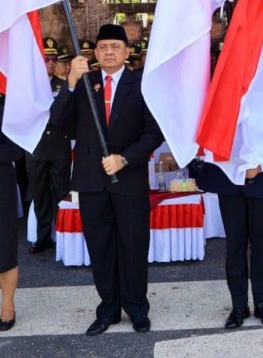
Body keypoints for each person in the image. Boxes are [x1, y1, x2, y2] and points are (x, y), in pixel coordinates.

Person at [50, 24, 163, 335]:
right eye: (103, 47)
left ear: (127, 52)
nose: (109, 52)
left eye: (115, 46)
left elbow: (154, 131)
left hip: (128, 178)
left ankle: (137, 308)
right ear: (94, 53)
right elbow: (57, 121)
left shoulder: (142, 84)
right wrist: (71, 82)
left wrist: (124, 158)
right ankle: (108, 309)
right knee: (100, 247)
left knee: (134, 245)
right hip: (90, 180)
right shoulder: (85, 83)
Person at [189, 138, 263, 330]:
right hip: (228, 178)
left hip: (261, 179)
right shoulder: (224, 104)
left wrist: (262, 163)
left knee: (261, 246)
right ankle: (238, 306)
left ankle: (262, 305)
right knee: (234, 246)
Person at [26, 37, 72, 254]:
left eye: (54, 59)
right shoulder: (28, 87)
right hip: (35, 147)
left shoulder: (63, 85)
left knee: (61, 193)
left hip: (57, 146)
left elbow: (68, 114)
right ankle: (43, 237)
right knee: (40, 194)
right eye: (47, 59)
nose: (51, 63)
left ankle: (64, 235)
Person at [0, 93, 24, 331]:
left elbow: (15, 150)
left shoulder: (7, 104)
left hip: (1, 184)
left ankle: (7, 305)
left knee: (4, 248)